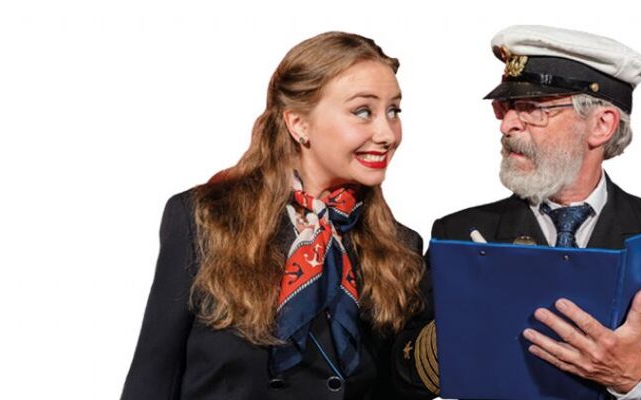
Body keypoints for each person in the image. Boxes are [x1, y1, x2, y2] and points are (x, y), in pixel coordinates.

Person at [120, 31, 435, 400]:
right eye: (362, 111)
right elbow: (152, 377)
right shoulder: (207, 219)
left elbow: (394, 388)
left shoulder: (398, 246)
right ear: (299, 124)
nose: (387, 133)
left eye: (394, 111)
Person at [428, 25, 641, 400]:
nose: (507, 125)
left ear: (601, 125)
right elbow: (398, 376)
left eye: (533, 109)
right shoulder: (460, 233)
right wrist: (453, 331)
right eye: (506, 108)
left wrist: (636, 374)